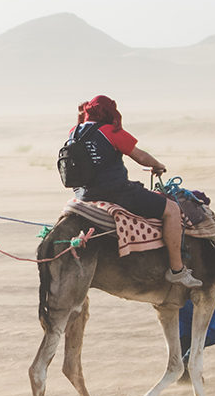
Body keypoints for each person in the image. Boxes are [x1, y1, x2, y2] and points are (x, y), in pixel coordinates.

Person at [69, 95, 201, 287]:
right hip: (116, 193)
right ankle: (177, 270)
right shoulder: (110, 131)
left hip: (83, 195)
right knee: (172, 209)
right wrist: (158, 165)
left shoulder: (74, 132)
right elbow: (140, 156)